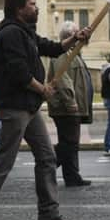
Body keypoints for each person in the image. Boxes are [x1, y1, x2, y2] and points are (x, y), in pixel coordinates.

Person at [0, 0, 90, 220]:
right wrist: (43, 89)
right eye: (31, 3)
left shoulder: (25, 32)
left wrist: (75, 39)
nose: (36, 7)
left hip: (29, 106)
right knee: (2, 162)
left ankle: (49, 215)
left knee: (47, 157)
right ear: (19, 9)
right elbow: (19, 71)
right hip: (15, 106)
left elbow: (52, 48)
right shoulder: (10, 33)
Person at [47, 21, 93, 187]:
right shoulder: (62, 54)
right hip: (65, 107)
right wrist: (70, 101)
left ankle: (72, 176)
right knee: (69, 143)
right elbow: (62, 80)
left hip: (71, 107)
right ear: (69, 37)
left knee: (71, 143)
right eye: (77, 33)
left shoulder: (73, 53)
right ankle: (48, 165)